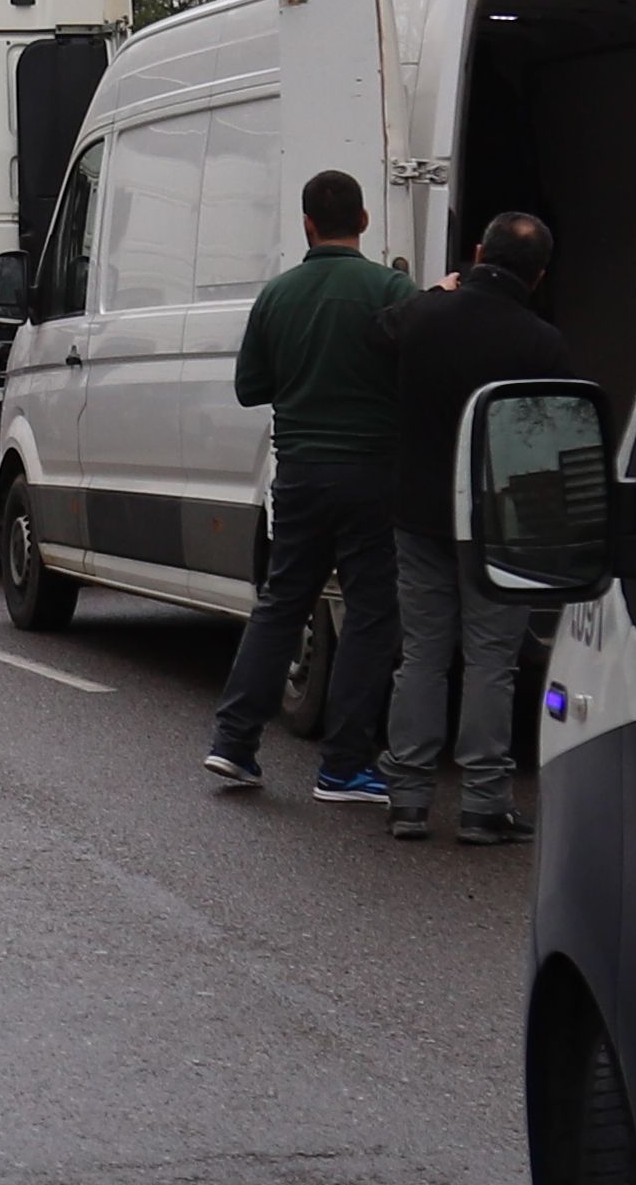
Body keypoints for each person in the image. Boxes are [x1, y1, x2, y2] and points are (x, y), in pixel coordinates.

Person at [374, 209, 579, 844]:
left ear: (473, 253)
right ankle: (484, 806)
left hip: (418, 512)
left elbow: (376, 335)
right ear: (540, 276)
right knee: (493, 661)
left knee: (422, 656)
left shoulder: (421, 320)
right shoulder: (543, 342)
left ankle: (408, 798)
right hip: (499, 522)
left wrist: (436, 289)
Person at [204, 168, 407, 803]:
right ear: (365, 221)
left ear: (307, 225)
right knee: (372, 612)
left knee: (282, 602)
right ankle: (344, 764)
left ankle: (234, 744)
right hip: (372, 474)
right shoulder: (390, 289)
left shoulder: (278, 295)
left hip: (298, 474)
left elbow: (249, 389)